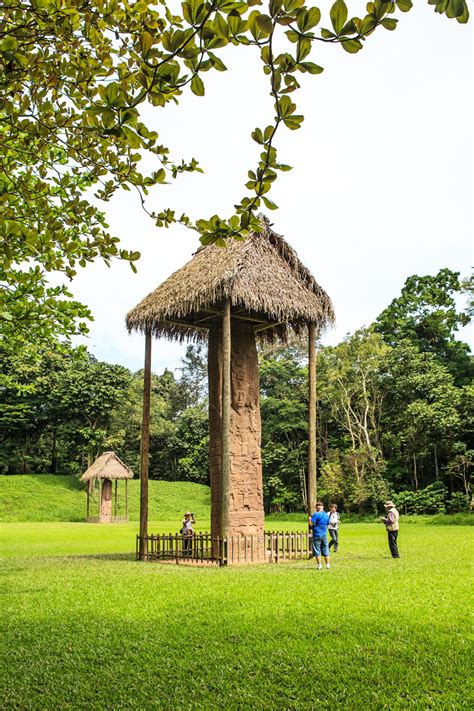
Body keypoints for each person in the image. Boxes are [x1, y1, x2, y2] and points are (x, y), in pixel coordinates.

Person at [309, 502, 331, 569]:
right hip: (324, 534)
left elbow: (311, 525)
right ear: (323, 507)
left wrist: (309, 520)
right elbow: (327, 524)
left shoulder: (316, 514)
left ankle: (319, 565)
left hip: (316, 534)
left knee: (317, 550)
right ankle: (327, 565)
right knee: (326, 549)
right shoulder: (326, 514)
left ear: (316, 508)